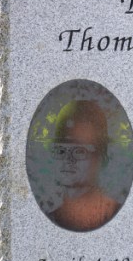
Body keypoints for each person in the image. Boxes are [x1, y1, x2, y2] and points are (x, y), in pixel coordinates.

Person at [47, 99, 121, 231]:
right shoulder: (52, 217)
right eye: (62, 150)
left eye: (79, 151)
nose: (69, 160)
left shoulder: (116, 214)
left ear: (100, 156)